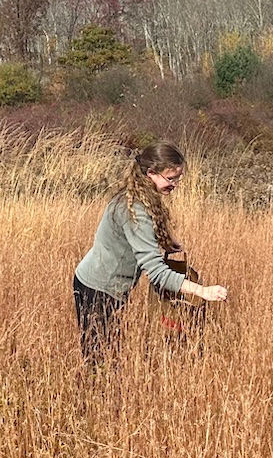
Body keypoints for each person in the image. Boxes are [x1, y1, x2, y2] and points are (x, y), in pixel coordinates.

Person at [73, 142, 226, 361]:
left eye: (178, 178)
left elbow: (144, 233)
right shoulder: (134, 208)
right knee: (100, 359)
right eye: (171, 178)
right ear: (151, 173)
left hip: (107, 286)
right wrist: (202, 291)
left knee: (108, 351)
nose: (175, 184)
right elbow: (156, 272)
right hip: (97, 288)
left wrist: (167, 241)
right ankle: (94, 394)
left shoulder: (142, 196)